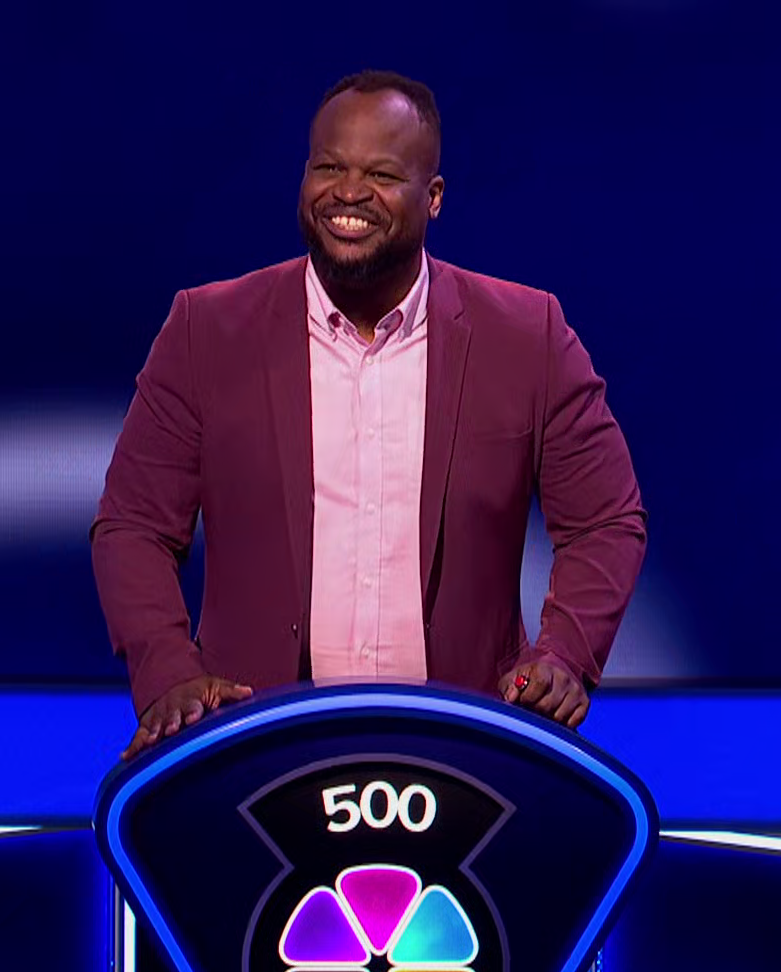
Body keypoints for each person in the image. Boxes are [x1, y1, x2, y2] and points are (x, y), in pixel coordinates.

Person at [92, 70, 645, 762]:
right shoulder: (205, 331)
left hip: (465, 748)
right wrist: (170, 674)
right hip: (254, 747)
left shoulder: (527, 335)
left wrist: (563, 655)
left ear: (433, 197)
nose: (348, 193)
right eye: (329, 167)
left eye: (381, 174)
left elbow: (605, 520)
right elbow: (133, 526)